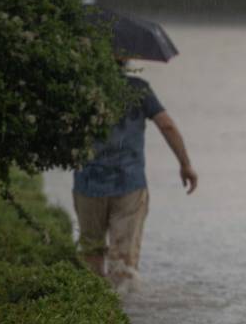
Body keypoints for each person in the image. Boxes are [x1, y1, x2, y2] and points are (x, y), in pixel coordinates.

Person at [72, 67, 197, 291]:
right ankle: (126, 315)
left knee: (91, 250)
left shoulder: (81, 87)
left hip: (88, 181)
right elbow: (167, 125)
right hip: (129, 184)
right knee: (123, 260)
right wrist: (185, 164)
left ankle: (94, 306)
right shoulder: (139, 89)